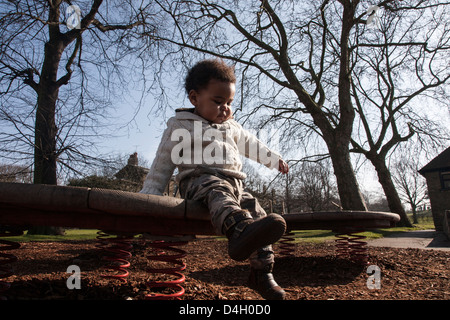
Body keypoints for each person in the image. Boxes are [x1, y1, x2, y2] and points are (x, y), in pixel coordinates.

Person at [140, 59, 289, 300]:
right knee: (217, 189)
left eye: (229, 103)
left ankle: (262, 274)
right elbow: (163, 161)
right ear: (194, 98)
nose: (225, 109)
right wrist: (150, 194)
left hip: (235, 185)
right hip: (200, 182)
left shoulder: (231, 126)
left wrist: (274, 159)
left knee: (256, 210)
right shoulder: (181, 125)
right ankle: (239, 231)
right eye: (218, 102)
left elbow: (252, 144)